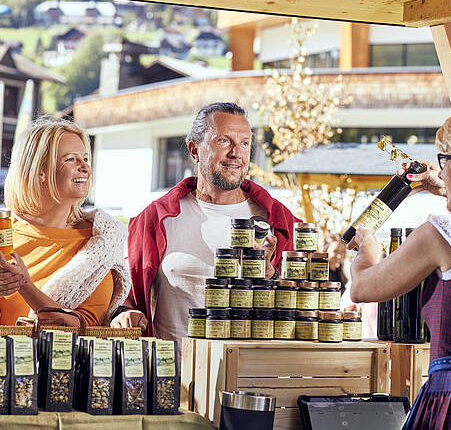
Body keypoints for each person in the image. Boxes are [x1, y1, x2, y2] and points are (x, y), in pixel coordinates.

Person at [111, 102, 301, 341]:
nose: (236, 153)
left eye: (244, 143)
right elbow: (126, 294)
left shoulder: (281, 222)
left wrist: (270, 275)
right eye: (224, 141)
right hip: (176, 374)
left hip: (250, 374)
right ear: (194, 150)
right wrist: (124, 312)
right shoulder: (155, 219)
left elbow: (303, 312)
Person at [347, 108, 451, 430]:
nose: (440, 167)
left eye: (444, 158)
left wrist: (367, 249)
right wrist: (447, 186)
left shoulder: (445, 233)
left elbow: (362, 288)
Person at [0, 117, 130, 326]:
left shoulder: (101, 241)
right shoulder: (5, 232)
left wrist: (23, 284)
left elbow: (85, 326)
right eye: (71, 159)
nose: (85, 167)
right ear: (39, 170)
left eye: (85, 158)